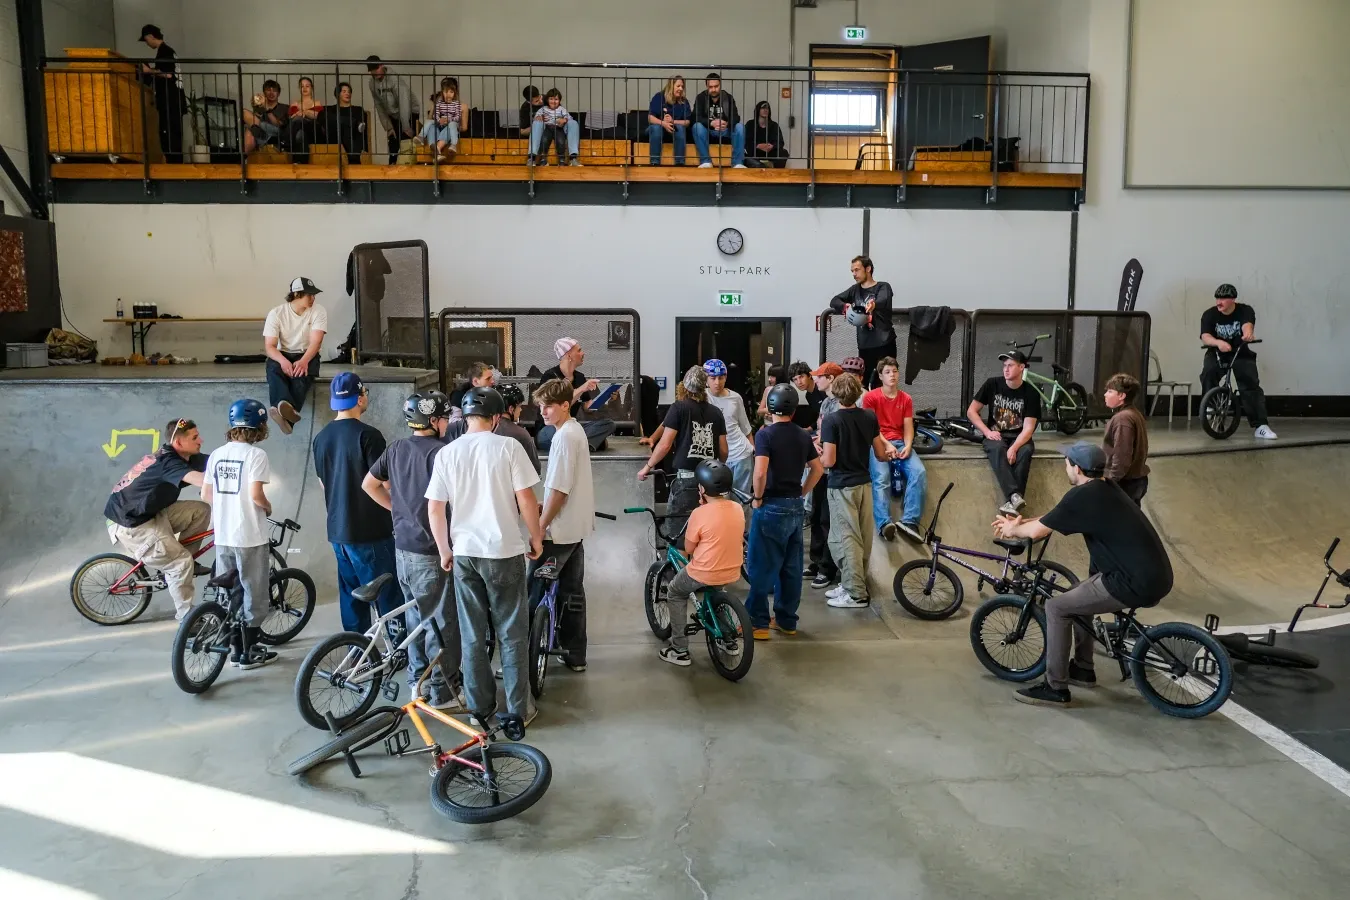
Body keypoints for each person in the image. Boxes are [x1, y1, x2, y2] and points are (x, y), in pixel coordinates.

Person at [991, 442, 1173, 707]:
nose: (1065, 466)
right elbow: (1054, 517)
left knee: (1056, 607)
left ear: (1076, 468)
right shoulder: (1105, 488)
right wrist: (1022, 521)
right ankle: (1083, 669)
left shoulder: (1083, 495)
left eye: (1066, 462)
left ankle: (1055, 688)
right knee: (1077, 595)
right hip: (1152, 574)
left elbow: (1038, 532)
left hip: (1130, 581)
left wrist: (1012, 531)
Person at [426, 387, 544, 740]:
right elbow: (526, 499)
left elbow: (435, 507)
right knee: (511, 632)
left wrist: (444, 549)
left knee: (473, 634)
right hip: (504, 552)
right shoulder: (509, 447)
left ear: (465, 418)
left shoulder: (447, 453)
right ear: (495, 418)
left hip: (465, 553)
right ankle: (518, 711)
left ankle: (480, 710)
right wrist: (536, 537)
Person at [362, 391, 462, 709]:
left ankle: (416, 684)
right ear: (432, 420)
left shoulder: (396, 448)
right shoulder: (442, 453)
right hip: (432, 551)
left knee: (416, 619)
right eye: (444, 417)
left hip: (402, 548)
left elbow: (369, 484)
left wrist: (397, 510)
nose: (447, 423)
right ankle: (442, 691)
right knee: (441, 623)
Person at [312, 372, 399, 634]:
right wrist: (398, 510)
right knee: (387, 595)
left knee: (351, 595)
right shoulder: (369, 436)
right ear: (360, 398)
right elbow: (385, 483)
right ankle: (399, 648)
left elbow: (324, 483)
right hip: (371, 531)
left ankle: (355, 646)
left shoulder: (321, 438)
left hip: (338, 531)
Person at [103, 416, 210, 620]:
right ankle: (188, 619)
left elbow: (216, 461)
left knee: (200, 510)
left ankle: (181, 564)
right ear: (179, 442)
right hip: (132, 524)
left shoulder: (184, 456)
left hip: (151, 513)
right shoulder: (168, 462)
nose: (201, 440)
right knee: (180, 563)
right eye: (195, 437)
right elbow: (203, 481)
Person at [201, 399, 277, 670]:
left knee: (230, 591)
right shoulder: (256, 455)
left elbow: (206, 494)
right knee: (253, 592)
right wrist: (267, 506)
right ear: (260, 426)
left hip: (223, 535)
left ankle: (234, 651)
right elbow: (256, 495)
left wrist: (228, 507)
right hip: (249, 535)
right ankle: (249, 653)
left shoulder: (217, 454)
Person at [528, 378, 597, 673]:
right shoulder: (575, 431)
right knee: (572, 593)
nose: (543, 412)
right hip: (575, 529)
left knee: (532, 592)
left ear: (566, 405)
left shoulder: (564, 438)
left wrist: (540, 526)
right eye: (541, 406)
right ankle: (575, 654)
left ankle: (523, 660)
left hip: (558, 533)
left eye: (549, 406)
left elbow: (559, 490)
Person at [746, 384, 823, 640]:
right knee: (791, 568)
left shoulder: (765, 435)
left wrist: (758, 498)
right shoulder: (803, 435)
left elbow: (760, 472)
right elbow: (818, 469)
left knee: (761, 566)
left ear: (770, 408)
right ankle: (786, 621)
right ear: (794, 409)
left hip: (770, 505)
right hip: (794, 507)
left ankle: (758, 623)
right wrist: (801, 492)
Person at [820, 373, 896, 609]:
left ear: (836, 394)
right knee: (862, 537)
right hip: (864, 484)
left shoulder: (832, 421)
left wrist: (816, 456)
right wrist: (890, 452)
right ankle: (852, 583)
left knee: (846, 539)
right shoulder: (869, 416)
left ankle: (856, 594)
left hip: (842, 486)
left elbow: (829, 461)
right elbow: (880, 454)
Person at [660, 460, 745, 666]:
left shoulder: (699, 513)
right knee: (716, 591)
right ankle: (728, 641)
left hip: (704, 571)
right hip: (732, 569)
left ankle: (679, 650)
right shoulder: (737, 508)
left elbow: (689, 548)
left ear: (702, 489)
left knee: (675, 592)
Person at [638, 366, 729, 539]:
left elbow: (665, 445)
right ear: (704, 387)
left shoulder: (679, 407)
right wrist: (718, 466)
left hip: (687, 481)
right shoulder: (716, 412)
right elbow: (724, 450)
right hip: (711, 482)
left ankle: (681, 557)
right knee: (705, 533)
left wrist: (647, 467)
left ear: (684, 386)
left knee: (679, 535)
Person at [968, 349, 1041, 516]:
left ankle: (1012, 503)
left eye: (1010, 365)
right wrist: (987, 432)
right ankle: (1014, 496)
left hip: (1019, 436)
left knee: (1026, 450)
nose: (1006, 369)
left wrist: (1014, 448)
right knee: (997, 448)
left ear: (1021, 367)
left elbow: (1028, 428)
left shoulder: (1031, 393)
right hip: (996, 434)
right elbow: (971, 411)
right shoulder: (992, 384)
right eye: (1004, 365)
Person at [862, 356, 927, 543]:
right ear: (880, 376)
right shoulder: (871, 397)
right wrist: (886, 444)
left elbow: (908, 427)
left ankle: (910, 521)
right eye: (888, 372)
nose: (892, 375)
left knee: (919, 472)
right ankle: (884, 524)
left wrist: (908, 445)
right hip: (878, 442)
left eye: (895, 371)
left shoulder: (906, 398)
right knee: (882, 478)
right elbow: (872, 427)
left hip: (900, 442)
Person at [1201, 283, 1275, 439]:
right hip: (1217, 352)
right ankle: (1210, 405)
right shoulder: (1209, 314)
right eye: (1217, 299)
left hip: (1240, 351)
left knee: (1249, 383)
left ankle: (1260, 426)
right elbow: (1205, 336)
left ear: (1233, 299)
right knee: (1208, 372)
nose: (1219, 302)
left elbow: (1247, 325)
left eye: (1223, 299)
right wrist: (1218, 343)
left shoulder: (1245, 310)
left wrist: (1248, 334)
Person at [262, 277, 328, 435]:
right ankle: (287, 414)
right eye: (309, 295)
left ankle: (281, 411)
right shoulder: (276, 313)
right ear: (297, 294)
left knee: (301, 376)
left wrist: (304, 361)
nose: (313, 298)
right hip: (283, 352)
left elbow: (316, 342)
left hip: (307, 353)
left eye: (314, 295)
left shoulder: (319, 311)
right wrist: (283, 361)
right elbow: (270, 346)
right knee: (274, 370)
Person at [534, 337, 617, 452]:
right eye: (579, 350)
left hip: (570, 427)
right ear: (569, 355)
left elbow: (587, 408)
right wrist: (582, 388)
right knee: (566, 432)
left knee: (609, 424)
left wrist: (605, 397)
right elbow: (559, 406)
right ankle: (587, 443)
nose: (583, 353)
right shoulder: (550, 377)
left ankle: (580, 444)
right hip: (549, 428)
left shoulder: (579, 377)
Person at [828, 256, 896, 388]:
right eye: (852, 271)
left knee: (886, 382)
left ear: (868, 269)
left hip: (884, 343)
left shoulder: (883, 287)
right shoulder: (855, 290)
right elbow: (834, 300)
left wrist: (873, 305)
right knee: (866, 383)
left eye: (857, 270)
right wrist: (845, 306)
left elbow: (883, 300)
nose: (854, 274)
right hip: (865, 345)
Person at [805, 362, 844, 589]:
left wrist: (823, 446)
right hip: (820, 467)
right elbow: (821, 433)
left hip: (833, 470)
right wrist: (815, 443)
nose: (815, 380)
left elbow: (835, 437)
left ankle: (827, 568)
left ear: (830, 378)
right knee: (816, 515)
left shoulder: (840, 405)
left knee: (827, 519)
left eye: (819, 376)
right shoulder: (826, 403)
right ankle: (816, 561)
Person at [447, 382, 540, 473]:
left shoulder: (449, 444)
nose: (521, 409)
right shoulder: (516, 439)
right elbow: (534, 472)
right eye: (519, 406)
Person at [703, 359, 754, 497]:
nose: (717, 382)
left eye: (721, 378)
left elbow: (746, 428)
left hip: (741, 453)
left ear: (725, 377)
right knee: (718, 500)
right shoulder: (702, 397)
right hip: (716, 458)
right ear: (706, 379)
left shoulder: (736, 398)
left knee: (741, 499)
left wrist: (753, 451)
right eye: (712, 378)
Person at [137, 25, 185, 163]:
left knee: (169, 135)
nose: (147, 43)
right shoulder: (169, 51)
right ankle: (175, 163)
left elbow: (168, 74)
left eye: (146, 40)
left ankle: (173, 164)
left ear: (151, 36)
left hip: (169, 100)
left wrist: (148, 71)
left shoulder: (164, 51)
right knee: (173, 134)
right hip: (175, 100)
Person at [1102, 373, 1149, 506]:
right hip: (1136, 480)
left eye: (1110, 391)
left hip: (1125, 483)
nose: (1105, 394)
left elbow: (1122, 454)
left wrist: (1111, 481)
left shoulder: (1122, 418)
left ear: (1121, 396)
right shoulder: (1135, 414)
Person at [366, 56, 417, 163]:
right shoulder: (372, 83)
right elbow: (379, 106)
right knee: (393, 141)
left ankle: (407, 168)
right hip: (393, 114)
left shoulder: (394, 79)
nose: (375, 72)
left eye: (377, 68)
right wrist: (388, 127)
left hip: (409, 111)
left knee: (406, 141)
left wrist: (406, 126)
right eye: (372, 70)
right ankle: (392, 166)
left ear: (382, 65)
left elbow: (404, 101)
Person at [692, 73, 746, 168]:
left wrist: (727, 124)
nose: (713, 89)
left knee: (740, 127)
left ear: (720, 85)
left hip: (725, 130)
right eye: (710, 87)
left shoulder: (728, 97)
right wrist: (711, 123)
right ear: (707, 86)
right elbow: (695, 116)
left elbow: (736, 117)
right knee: (697, 127)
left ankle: (737, 163)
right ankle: (706, 161)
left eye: (716, 86)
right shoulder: (701, 97)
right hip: (708, 130)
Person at [519, 84, 581, 160]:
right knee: (537, 122)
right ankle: (532, 157)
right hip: (543, 129)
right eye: (537, 101)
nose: (541, 101)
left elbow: (561, 112)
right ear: (529, 102)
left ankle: (573, 157)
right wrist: (539, 121)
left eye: (540, 97)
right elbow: (522, 131)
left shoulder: (548, 98)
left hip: (558, 127)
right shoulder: (525, 108)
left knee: (573, 123)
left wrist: (563, 120)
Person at [647, 76, 692, 165]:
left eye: (682, 86)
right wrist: (663, 123)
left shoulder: (684, 101)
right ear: (671, 86)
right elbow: (650, 118)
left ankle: (679, 163)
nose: (681, 89)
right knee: (656, 128)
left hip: (674, 130)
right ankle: (654, 162)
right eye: (678, 86)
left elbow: (687, 122)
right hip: (658, 128)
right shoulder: (659, 97)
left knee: (680, 128)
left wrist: (672, 121)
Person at [321, 81, 368, 164]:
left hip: (353, 137)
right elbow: (320, 117)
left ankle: (353, 159)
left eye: (349, 92)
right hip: (335, 137)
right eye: (344, 91)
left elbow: (361, 130)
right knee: (326, 116)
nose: (347, 94)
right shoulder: (331, 110)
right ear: (338, 94)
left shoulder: (358, 110)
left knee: (346, 128)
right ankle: (352, 122)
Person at [419, 76, 462, 160]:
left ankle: (437, 148)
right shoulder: (439, 103)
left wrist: (450, 122)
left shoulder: (457, 105)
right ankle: (433, 148)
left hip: (448, 128)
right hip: (439, 126)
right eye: (445, 92)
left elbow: (459, 121)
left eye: (451, 92)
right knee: (431, 126)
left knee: (450, 127)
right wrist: (434, 108)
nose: (448, 95)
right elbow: (432, 118)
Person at [242, 79, 290, 154]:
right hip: (261, 130)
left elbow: (279, 124)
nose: (271, 93)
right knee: (244, 112)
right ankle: (258, 136)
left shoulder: (285, 108)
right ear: (264, 93)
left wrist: (266, 108)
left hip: (276, 133)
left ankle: (243, 156)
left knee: (251, 128)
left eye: (274, 90)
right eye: (268, 90)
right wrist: (256, 107)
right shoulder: (260, 107)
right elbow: (253, 119)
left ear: (278, 93)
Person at [285, 76, 324, 162]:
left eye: (307, 86)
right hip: (299, 130)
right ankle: (301, 163)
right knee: (300, 134)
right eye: (302, 86)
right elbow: (292, 118)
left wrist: (304, 112)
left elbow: (319, 116)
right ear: (299, 88)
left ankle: (286, 144)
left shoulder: (317, 103)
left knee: (299, 119)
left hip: (313, 131)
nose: (304, 88)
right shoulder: (294, 103)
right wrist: (305, 114)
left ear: (312, 88)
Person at [745, 100, 787, 168]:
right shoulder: (750, 124)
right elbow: (747, 141)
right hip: (756, 152)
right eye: (763, 108)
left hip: (770, 153)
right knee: (745, 155)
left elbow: (780, 142)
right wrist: (758, 145)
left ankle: (773, 168)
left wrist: (772, 146)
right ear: (758, 110)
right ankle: (761, 165)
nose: (765, 110)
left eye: (767, 108)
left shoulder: (774, 125)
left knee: (784, 153)